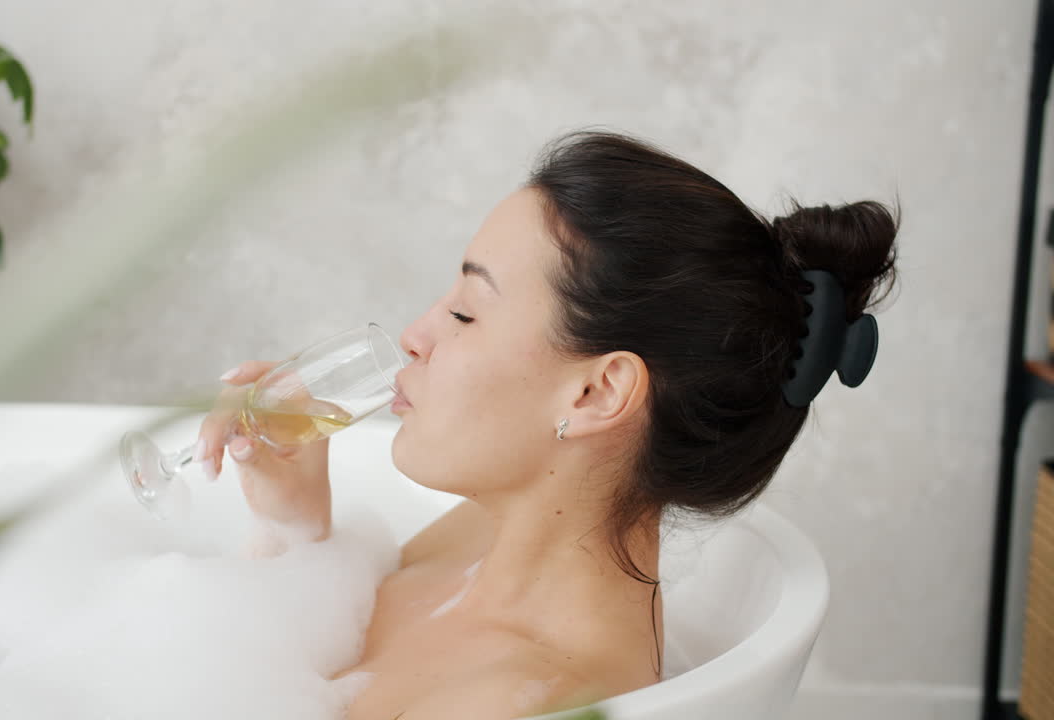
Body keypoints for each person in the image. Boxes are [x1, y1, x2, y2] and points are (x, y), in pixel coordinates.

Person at [194, 130, 900, 720]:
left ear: (597, 391)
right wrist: (291, 527)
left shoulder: (525, 700)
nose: (414, 335)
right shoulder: (479, 539)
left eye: (466, 313)